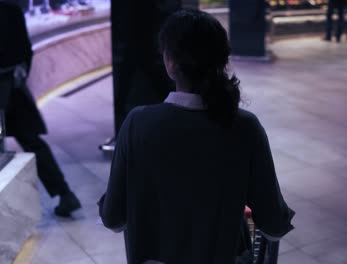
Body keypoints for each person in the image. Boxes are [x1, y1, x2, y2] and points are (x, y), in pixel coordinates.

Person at [98, 9, 294, 264]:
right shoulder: (245, 127)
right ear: (223, 61)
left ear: (170, 63)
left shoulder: (137, 124)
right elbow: (274, 225)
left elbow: (113, 218)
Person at [0, 1, 81, 217]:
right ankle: (65, 194)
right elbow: (25, 48)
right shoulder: (12, 9)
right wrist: (21, 70)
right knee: (32, 141)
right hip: (14, 85)